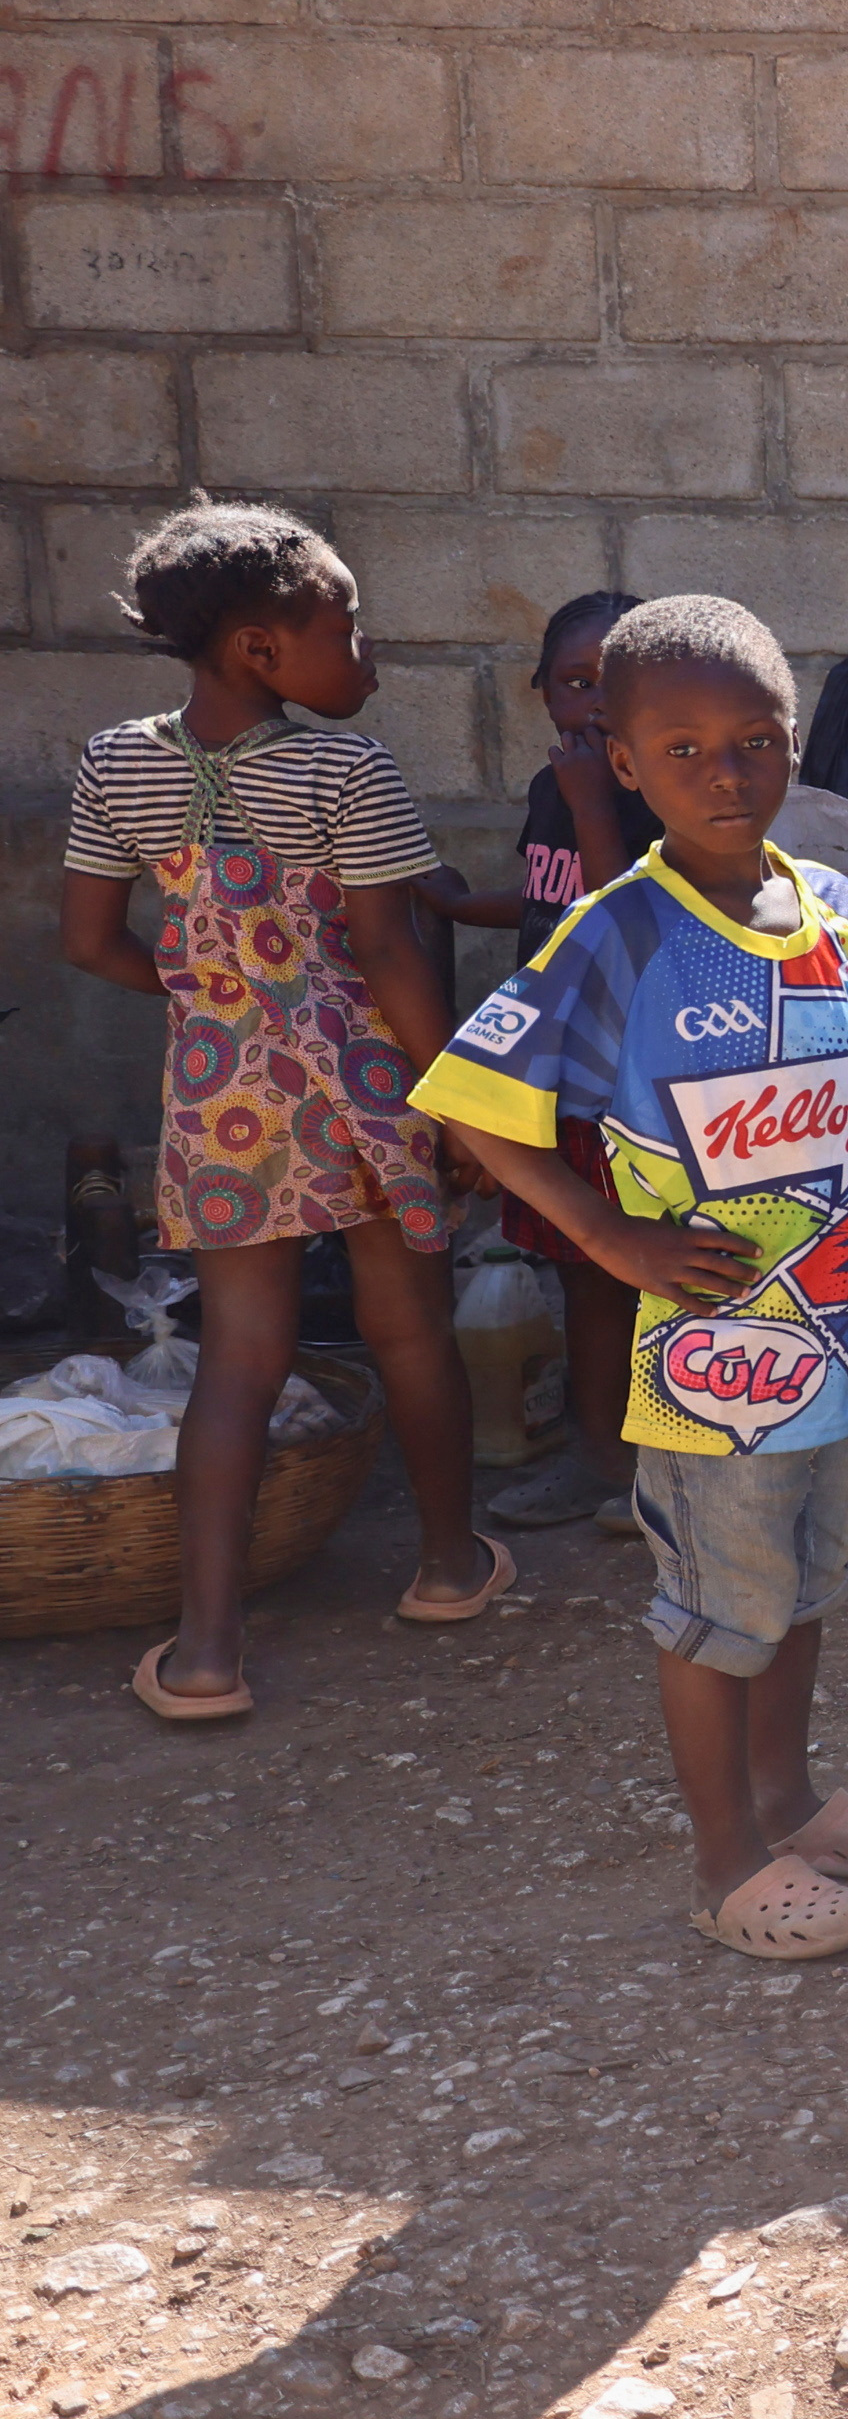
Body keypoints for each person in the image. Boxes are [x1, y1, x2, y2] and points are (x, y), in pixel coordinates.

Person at [412, 596, 848, 1955]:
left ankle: (791, 1798)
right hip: (719, 1361)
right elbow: (474, 1104)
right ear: (624, 764)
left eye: (756, 741)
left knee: (809, 1586)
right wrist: (612, 1239)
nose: (727, 773)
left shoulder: (826, 901)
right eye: (686, 748)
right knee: (719, 1608)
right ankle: (725, 1865)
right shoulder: (620, 933)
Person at [62, 508, 497, 1718]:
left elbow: (90, 941)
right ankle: (451, 1567)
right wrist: (460, 1107)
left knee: (237, 1361)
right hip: (362, 1085)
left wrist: (212, 998)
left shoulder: (114, 764)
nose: (369, 656)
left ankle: (206, 1652)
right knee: (408, 1328)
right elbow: (392, 955)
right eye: (347, 630)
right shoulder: (345, 772)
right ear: (261, 647)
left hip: (219, 1100)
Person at [454, 587, 656, 1532]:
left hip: (635, 1077)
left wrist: (592, 803)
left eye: (620, 686)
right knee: (582, 1270)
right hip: (560, 1071)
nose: (598, 708)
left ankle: (662, 1466)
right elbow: (554, 904)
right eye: (579, 684)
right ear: (540, 692)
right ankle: (603, 1458)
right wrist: (460, 907)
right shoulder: (553, 791)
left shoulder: (652, 788)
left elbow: (622, 909)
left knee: (643, 1267)